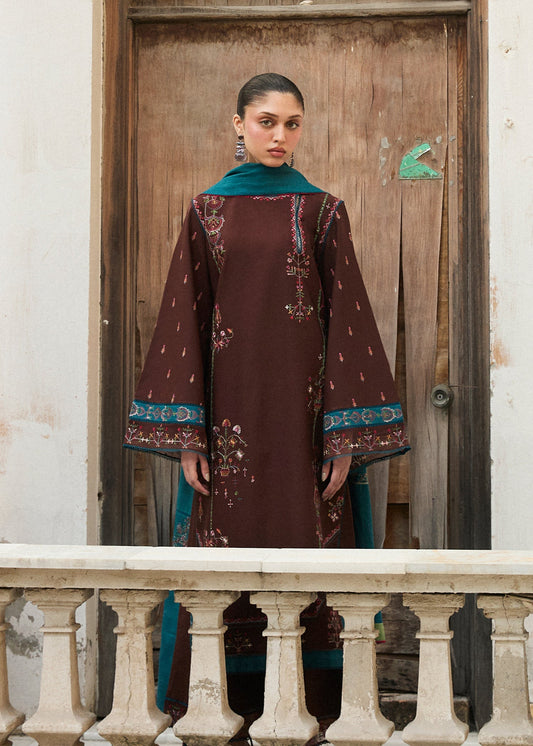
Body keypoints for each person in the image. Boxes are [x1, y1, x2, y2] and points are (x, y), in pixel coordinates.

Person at [124, 73, 409, 746]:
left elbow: (348, 323)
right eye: (265, 121)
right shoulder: (206, 211)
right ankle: (218, 717)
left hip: (304, 424)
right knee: (220, 566)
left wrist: (343, 438)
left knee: (312, 562)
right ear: (238, 125)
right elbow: (185, 320)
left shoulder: (322, 212)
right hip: (227, 425)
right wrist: (188, 435)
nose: (279, 135)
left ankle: (311, 719)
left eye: (291, 123)